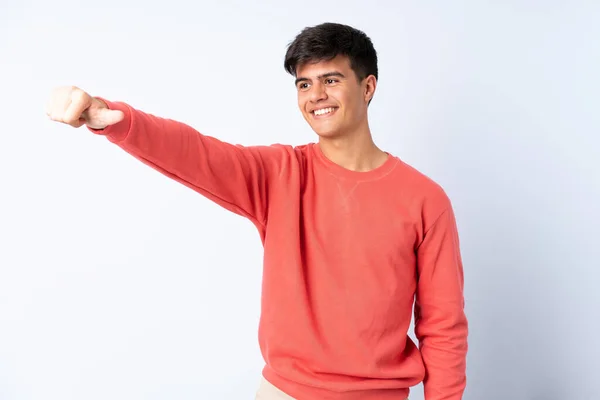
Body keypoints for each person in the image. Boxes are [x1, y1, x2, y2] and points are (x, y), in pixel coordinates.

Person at [46, 22, 468, 400]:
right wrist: (112, 118)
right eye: (304, 84)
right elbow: (196, 153)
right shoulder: (279, 174)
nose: (315, 95)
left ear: (368, 87)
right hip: (284, 392)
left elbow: (442, 327)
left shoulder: (425, 199)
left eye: (331, 80)